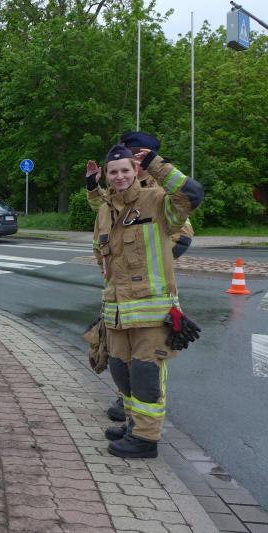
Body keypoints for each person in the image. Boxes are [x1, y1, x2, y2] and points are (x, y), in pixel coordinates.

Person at [92, 143, 203, 459]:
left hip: (151, 313)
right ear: (107, 175)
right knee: (121, 372)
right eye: (113, 172)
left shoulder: (156, 201)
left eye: (125, 170)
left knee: (145, 375)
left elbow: (192, 194)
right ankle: (133, 425)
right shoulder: (105, 210)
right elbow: (101, 254)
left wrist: (157, 164)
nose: (119, 176)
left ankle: (145, 438)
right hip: (117, 313)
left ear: (135, 170)